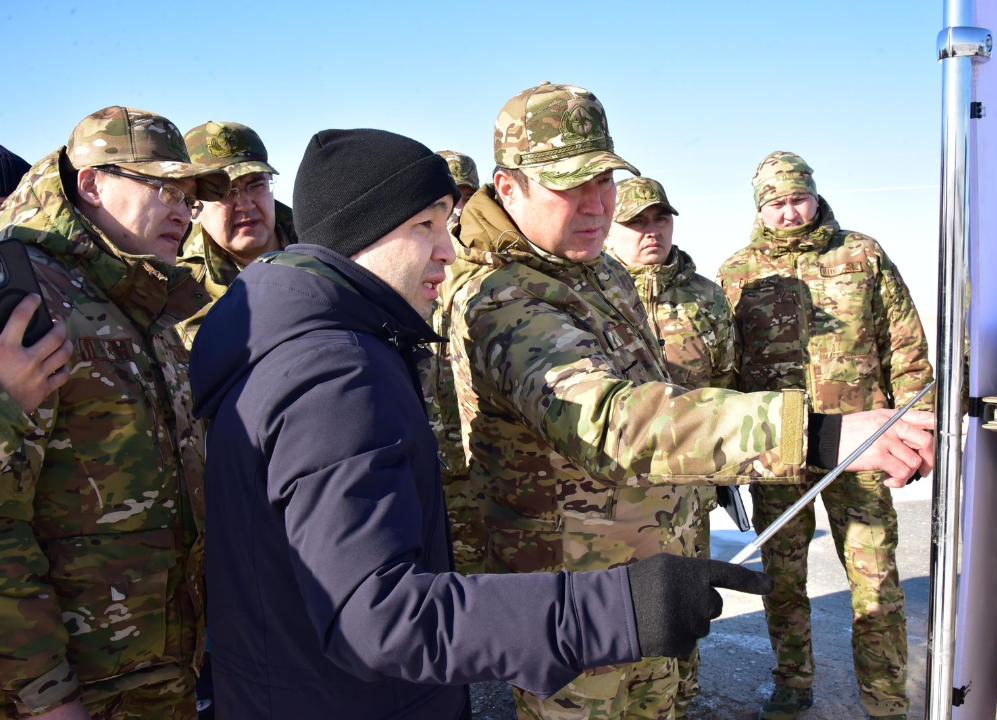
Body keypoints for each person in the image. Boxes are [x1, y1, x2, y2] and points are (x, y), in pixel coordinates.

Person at [189, 128, 775, 720]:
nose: (447, 250)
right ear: (360, 232)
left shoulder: (323, 343)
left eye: (446, 224)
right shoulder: (333, 374)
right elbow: (381, 616)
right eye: (425, 225)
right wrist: (617, 609)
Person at [445, 82, 935, 720]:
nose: (596, 205)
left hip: (649, 577)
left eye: (604, 181)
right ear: (508, 188)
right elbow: (611, 420)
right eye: (569, 186)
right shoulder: (501, 297)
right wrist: (814, 433)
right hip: (572, 597)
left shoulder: (599, 271)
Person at [0, 106, 228, 719]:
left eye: (190, 198)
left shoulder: (143, 296)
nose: (184, 211)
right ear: (93, 184)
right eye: (164, 189)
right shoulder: (29, 296)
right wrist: (44, 695)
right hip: (74, 689)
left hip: (159, 674)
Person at [717, 151, 934, 720]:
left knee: (876, 583)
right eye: (776, 203)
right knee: (782, 580)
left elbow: (905, 346)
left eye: (798, 199)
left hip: (862, 450)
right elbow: (727, 366)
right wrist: (729, 455)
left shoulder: (862, 255)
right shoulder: (739, 273)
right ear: (759, 207)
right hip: (779, 454)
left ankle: (886, 702)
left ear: (814, 196)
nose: (789, 212)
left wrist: (920, 426)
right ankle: (793, 683)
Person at [606, 175, 744, 717]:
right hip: (617, 490)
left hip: (690, 484)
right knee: (626, 603)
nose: (651, 231)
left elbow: (726, 378)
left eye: (659, 219)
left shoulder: (705, 296)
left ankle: (682, 697)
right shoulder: (593, 296)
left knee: (687, 594)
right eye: (635, 222)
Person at [421, 149, 487, 573]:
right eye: (445, 201)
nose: (457, 209)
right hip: (432, 458)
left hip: (480, 463)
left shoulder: (491, 267)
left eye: (465, 196)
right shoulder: (417, 268)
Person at [176, 121, 297, 345]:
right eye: (224, 192)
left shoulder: (323, 243)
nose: (245, 205)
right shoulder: (181, 286)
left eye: (256, 185)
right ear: (194, 205)